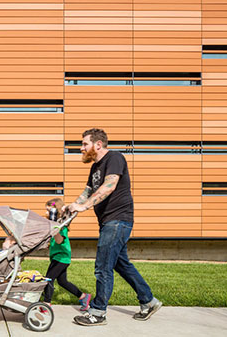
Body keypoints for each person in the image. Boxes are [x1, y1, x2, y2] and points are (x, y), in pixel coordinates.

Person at [66, 128, 162, 326]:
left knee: (102, 267)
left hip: (118, 219)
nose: (81, 148)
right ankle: (149, 301)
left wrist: (83, 206)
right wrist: (72, 208)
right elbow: (87, 192)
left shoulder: (115, 158)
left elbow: (109, 186)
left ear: (98, 144)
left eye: (85, 144)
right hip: (109, 221)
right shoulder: (95, 168)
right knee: (121, 264)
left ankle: (98, 312)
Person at [43, 198, 92, 310]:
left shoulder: (62, 227)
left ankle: (46, 303)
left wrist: (55, 231)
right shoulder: (56, 225)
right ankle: (83, 296)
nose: (46, 213)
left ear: (56, 212)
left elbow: (60, 240)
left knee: (48, 279)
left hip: (62, 257)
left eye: (49, 211)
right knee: (62, 281)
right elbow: (55, 241)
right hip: (58, 257)